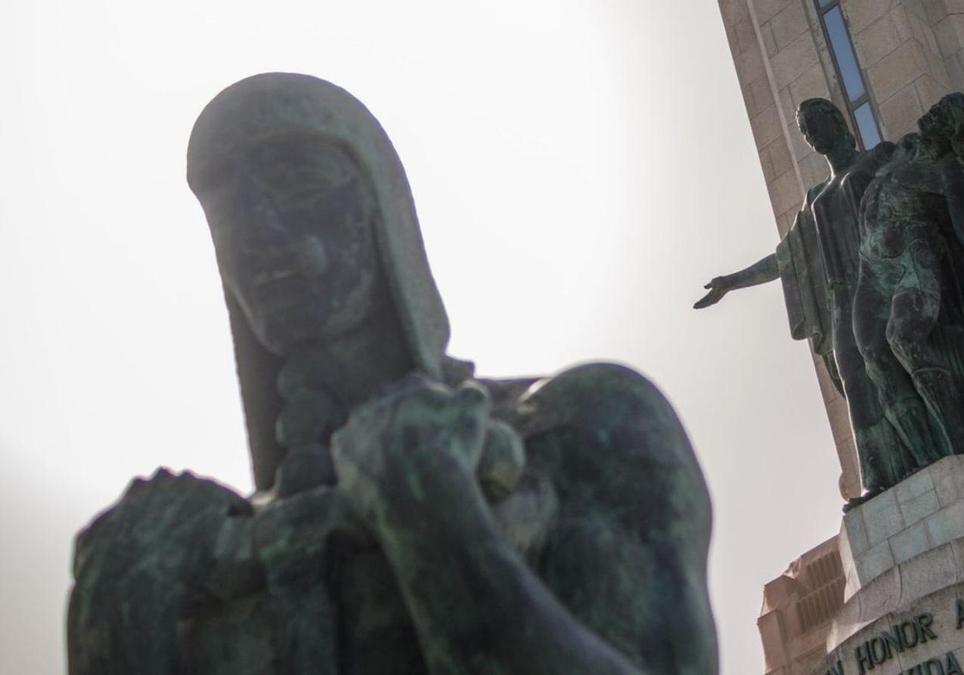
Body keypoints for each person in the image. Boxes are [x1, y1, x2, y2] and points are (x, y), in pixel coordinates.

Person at [68, 73, 718, 675]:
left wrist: (435, 523)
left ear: (379, 205)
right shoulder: (205, 551)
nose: (259, 233)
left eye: (297, 187)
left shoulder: (582, 425)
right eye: (229, 213)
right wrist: (125, 619)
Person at [695, 99, 915, 500]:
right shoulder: (816, 198)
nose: (811, 135)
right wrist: (732, 280)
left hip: (887, 282)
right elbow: (785, 259)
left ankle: (922, 450)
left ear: (837, 121)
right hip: (844, 300)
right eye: (804, 131)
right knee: (854, 377)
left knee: (886, 361)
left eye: (814, 123)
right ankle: (879, 476)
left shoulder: (880, 159)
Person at [853, 93, 964, 468]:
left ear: (954, 129)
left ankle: (956, 435)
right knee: (872, 357)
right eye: (937, 107)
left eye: (944, 114)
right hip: (870, 269)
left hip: (911, 263)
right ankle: (922, 455)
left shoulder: (953, 173)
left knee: (902, 338)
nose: (933, 112)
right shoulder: (905, 147)